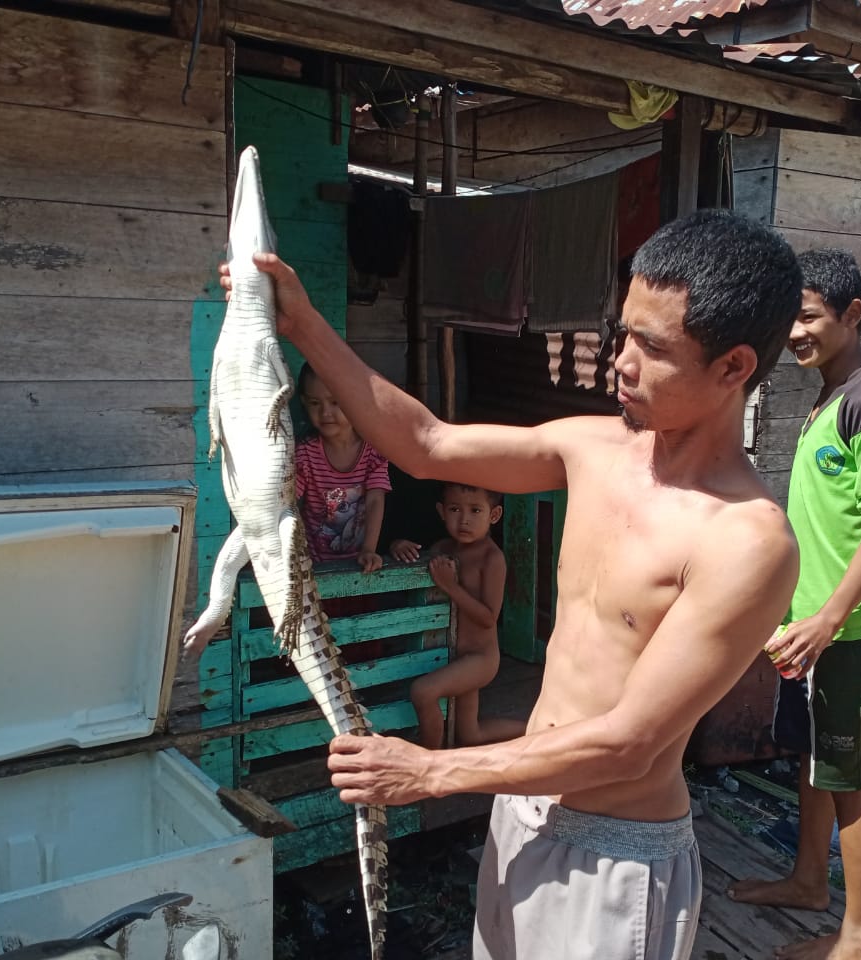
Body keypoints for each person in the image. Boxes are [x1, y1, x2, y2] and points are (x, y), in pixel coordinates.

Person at [221, 210, 803, 960]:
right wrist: (300, 323)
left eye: (652, 348)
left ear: (734, 368)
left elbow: (631, 743)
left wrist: (432, 771)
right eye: (623, 332)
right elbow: (427, 444)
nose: (621, 361)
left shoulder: (746, 542)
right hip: (519, 809)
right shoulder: (590, 447)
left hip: (614, 852)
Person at [728, 248, 861, 960]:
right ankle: (809, 881)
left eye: (807, 317)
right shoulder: (828, 399)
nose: (796, 333)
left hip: (847, 633)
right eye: (790, 320)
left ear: (852, 315)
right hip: (804, 628)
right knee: (811, 759)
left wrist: (831, 616)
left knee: (852, 778)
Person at [395, 483, 527, 749]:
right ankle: (537, 728)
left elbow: (489, 617)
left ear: (494, 515)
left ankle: (428, 762)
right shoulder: (443, 547)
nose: (464, 519)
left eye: (475, 510)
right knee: (470, 736)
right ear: (442, 512)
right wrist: (399, 545)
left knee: (423, 692)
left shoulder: (492, 558)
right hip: (458, 657)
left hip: (480, 659)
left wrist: (451, 586)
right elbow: (421, 559)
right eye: (455, 509)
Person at [295, 362, 391, 572]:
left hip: (362, 566)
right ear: (304, 403)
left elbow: (375, 499)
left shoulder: (373, 451)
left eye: (335, 402)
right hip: (316, 568)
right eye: (314, 403)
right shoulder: (305, 454)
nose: (325, 412)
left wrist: (369, 550)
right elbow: (289, 504)